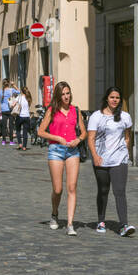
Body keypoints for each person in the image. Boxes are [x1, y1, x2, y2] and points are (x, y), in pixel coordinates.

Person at [37, 80, 85, 235]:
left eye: (68, 93)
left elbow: (84, 132)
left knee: (72, 187)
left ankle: (70, 224)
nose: (66, 96)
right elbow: (40, 132)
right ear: (58, 95)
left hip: (72, 151)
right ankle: (55, 213)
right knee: (58, 189)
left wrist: (78, 139)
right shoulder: (52, 110)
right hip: (56, 150)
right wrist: (57, 138)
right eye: (63, 94)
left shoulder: (75, 111)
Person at [87, 86, 135, 236]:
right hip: (101, 158)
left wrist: (126, 152)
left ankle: (123, 225)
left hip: (119, 159)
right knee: (103, 190)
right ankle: (101, 220)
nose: (115, 100)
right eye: (112, 97)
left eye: (117, 98)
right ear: (107, 98)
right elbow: (91, 138)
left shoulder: (125, 116)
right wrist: (94, 156)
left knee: (120, 191)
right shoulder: (96, 116)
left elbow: (127, 136)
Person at [12, 85, 32, 151]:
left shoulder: (19, 97)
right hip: (27, 117)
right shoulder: (28, 98)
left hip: (20, 116)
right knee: (25, 132)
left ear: (22, 91)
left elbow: (13, 104)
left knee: (18, 130)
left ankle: (20, 143)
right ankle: (24, 147)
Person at [0, 78, 19, 145]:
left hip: (3, 109)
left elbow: (1, 102)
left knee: (4, 126)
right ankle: (11, 141)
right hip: (10, 109)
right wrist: (13, 85)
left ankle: (3, 141)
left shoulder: (1, 92)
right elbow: (19, 92)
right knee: (11, 126)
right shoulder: (11, 90)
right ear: (8, 84)